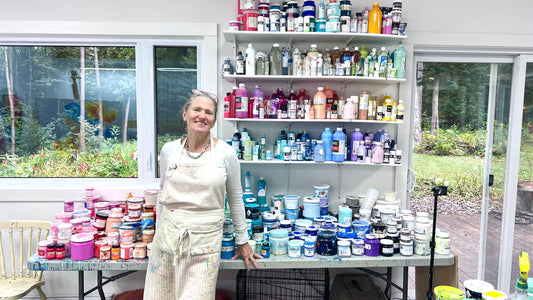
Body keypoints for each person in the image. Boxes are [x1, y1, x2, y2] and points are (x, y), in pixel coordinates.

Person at [144, 90, 262, 299]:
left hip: (205, 244)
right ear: (185, 114)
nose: (202, 116)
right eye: (196, 109)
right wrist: (157, 235)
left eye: (208, 112)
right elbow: (163, 194)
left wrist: (243, 241)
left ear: (214, 120)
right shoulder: (169, 150)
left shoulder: (226, 153)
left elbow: (235, 199)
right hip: (167, 241)